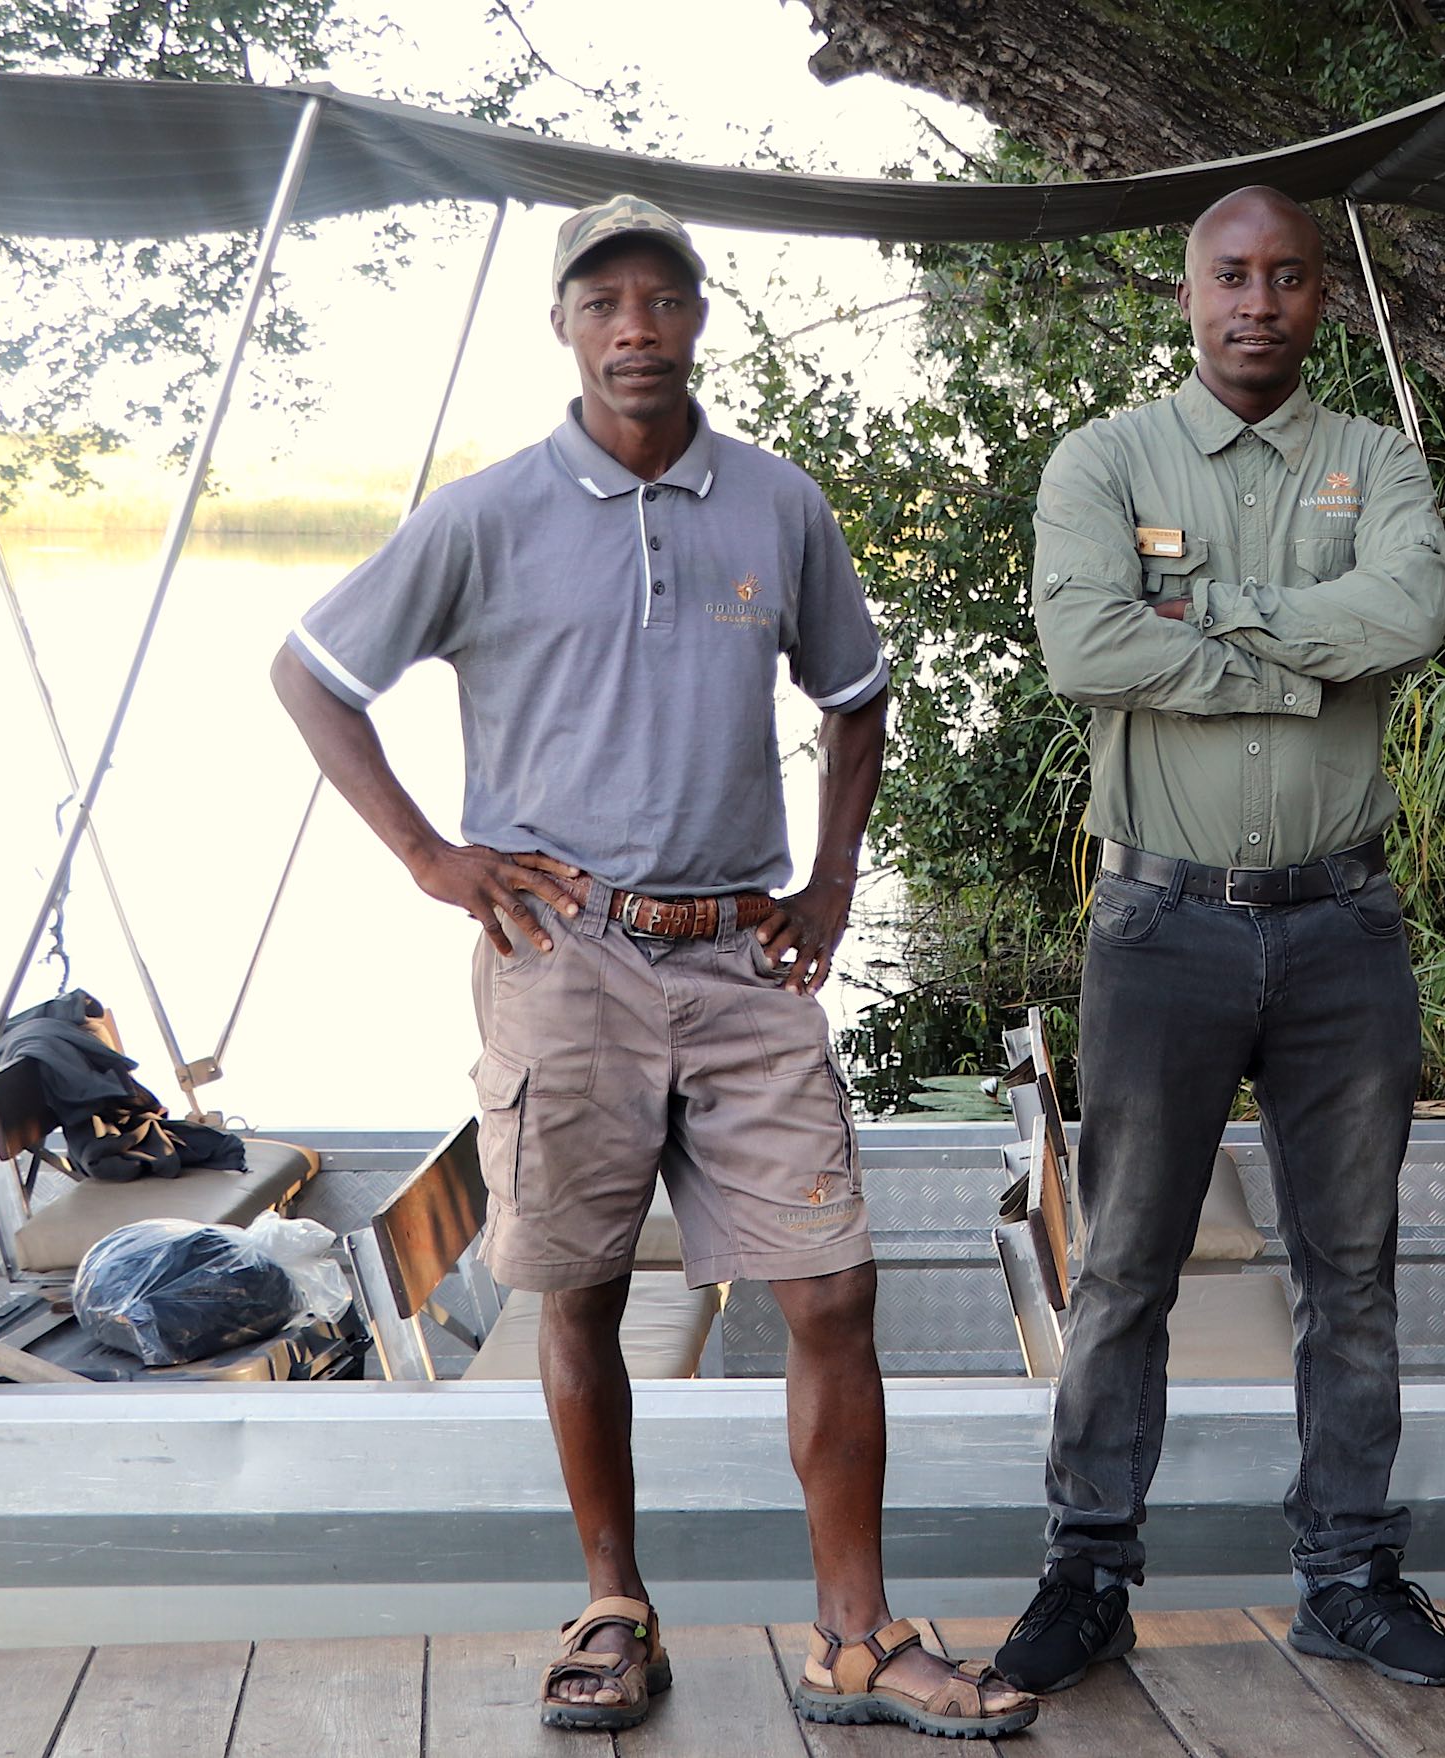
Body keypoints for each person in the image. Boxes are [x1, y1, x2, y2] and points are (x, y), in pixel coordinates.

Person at [272, 196, 1035, 1741]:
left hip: (743, 953)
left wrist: (829, 882)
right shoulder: (486, 514)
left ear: (699, 318)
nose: (637, 328)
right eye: (605, 301)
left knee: (834, 1284)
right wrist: (434, 858)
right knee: (579, 1291)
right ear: (565, 324)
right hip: (563, 954)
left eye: (663, 299)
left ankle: (853, 1638)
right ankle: (616, 1606)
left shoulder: (773, 504)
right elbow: (313, 671)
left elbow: (860, 694)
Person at [993, 186, 1445, 1692]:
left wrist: (1208, 611)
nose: (1257, 302)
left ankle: (1348, 1571)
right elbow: (1086, 643)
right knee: (1125, 1263)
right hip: (1160, 923)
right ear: (1187, 292)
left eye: (1286, 277)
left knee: (1356, 1271)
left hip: (1344, 923)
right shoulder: (1105, 458)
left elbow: (1409, 614)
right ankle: (1088, 1571)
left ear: (1322, 296)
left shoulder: (1374, 458)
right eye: (1230, 277)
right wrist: (1292, 660)